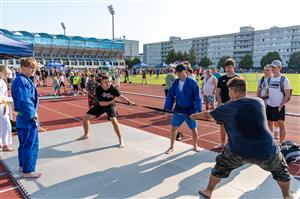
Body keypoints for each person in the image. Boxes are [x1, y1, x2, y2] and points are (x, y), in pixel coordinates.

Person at [190, 77, 293, 199]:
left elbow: (207, 114)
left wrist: (193, 116)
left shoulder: (226, 108)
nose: (228, 93)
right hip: (266, 150)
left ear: (233, 92)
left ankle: (208, 191)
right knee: (281, 171)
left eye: (229, 91)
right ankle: (287, 196)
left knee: (221, 166)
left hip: (238, 151)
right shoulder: (258, 102)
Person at [76, 74, 135, 148]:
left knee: (114, 121)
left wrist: (129, 102)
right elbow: (101, 103)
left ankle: (121, 140)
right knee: (85, 118)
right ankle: (86, 135)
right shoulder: (98, 89)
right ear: (102, 83)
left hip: (110, 106)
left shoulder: (113, 89)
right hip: (101, 105)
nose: (108, 83)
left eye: (109, 82)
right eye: (106, 82)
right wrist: (111, 101)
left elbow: (121, 97)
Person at [11, 58, 41, 178]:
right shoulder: (23, 81)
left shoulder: (21, 80)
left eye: (34, 67)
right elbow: (25, 101)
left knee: (23, 144)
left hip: (22, 118)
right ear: (23, 68)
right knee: (31, 144)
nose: (33, 70)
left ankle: (23, 166)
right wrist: (33, 115)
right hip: (28, 119)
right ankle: (28, 170)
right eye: (31, 67)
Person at [164, 64, 202, 154]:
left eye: (180, 74)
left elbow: (198, 98)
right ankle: (171, 146)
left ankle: (195, 145)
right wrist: (167, 109)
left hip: (190, 110)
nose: (179, 76)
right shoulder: (176, 82)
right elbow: (170, 96)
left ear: (185, 71)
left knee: (193, 128)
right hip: (179, 109)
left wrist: (197, 111)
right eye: (177, 74)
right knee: (173, 128)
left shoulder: (193, 82)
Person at [214, 58, 238, 150]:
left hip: (234, 106)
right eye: (226, 67)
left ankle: (233, 144)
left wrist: (228, 104)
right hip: (223, 106)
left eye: (229, 67)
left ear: (233, 67)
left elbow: (239, 95)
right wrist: (220, 103)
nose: (227, 69)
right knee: (222, 125)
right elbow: (217, 92)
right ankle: (222, 143)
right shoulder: (221, 78)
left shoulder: (237, 78)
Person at [266, 60, 291, 144]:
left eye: (275, 67)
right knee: (269, 123)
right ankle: (271, 142)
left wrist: (281, 105)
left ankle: (282, 143)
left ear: (280, 68)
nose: (273, 69)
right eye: (272, 67)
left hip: (279, 106)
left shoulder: (284, 79)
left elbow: (287, 95)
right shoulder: (268, 79)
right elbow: (267, 93)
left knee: (281, 124)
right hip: (270, 105)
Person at [257, 64, 280, 139]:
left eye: (267, 70)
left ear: (271, 71)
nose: (265, 72)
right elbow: (258, 90)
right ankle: (268, 134)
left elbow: (269, 93)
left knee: (275, 119)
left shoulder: (274, 80)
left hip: (272, 102)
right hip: (263, 101)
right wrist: (258, 99)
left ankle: (276, 130)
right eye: (264, 70)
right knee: (266, 119)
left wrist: (262, 97)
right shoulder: (261, 80)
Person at [0, 65, 14, 152]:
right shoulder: (1, 82)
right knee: (6, 125)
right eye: (5, 73)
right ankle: (6, 144)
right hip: (2, 106)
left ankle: (1, 142)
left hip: (3, 105)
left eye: (8, 73)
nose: (7, 75)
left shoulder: (2, 81)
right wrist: (10, 99)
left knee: (3, 124)